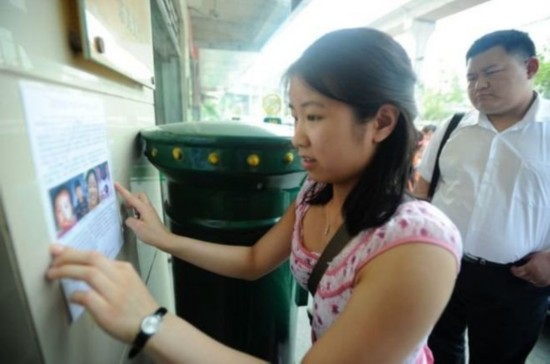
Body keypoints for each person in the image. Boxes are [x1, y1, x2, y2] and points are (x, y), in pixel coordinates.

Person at [47, 28, 462, 363]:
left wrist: (150, 322)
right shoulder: (316, 191)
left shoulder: (417, 247)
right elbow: (254, 260)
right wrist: (163, 238)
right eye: (295, 115)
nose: (298, 137)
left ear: (382, 122)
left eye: (314, 116)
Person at [414, 29, 550, 364]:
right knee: (437, 348)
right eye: (472, 77)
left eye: (491, 73)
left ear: (530, 67)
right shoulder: (452, 126)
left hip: (517, 280)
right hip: (443, 263)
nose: (480, 85)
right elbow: (422, 189)